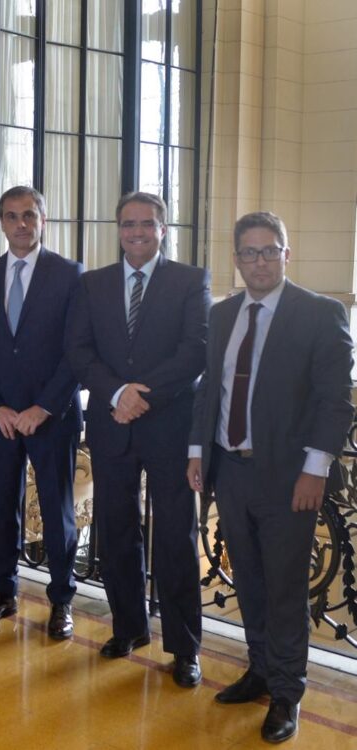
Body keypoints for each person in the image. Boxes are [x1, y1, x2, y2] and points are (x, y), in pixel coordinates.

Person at [187, 211, 354, 743]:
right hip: (230, 471)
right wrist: (197, 451)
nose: (259, 261)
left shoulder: (320, 313)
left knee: (285, 589)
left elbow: (335, 401)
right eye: (249, 252)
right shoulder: (223, 314)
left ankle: (286, 692)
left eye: (268, 251)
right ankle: (259, 670)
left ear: (286, 253)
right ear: (236, 259)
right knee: (250, 581)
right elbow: (210, 389)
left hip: (288, 479)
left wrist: (315, 470)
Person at [66, 191, 209, 686]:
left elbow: (195, 351)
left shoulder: (190, 280)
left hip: (169, 427)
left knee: (176, 538)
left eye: (147, 223)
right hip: (111, 425)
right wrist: (117, 393)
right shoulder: (93, 284)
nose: (137, 232)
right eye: (128, 224)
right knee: (116, 531)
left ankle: (185, 648)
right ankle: (128, 627)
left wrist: (141, 394)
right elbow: (79, 351)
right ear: (119, 229)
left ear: (163, 229)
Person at [0, 185, 82, 640]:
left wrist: (43, 407)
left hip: (52, 418)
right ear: (1, 223)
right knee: (3, 507)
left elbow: (76, 351)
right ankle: (3, 591)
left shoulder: (69, 275)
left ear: (43, 219)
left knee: (57, 511)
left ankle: (61, 599)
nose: (21, 224)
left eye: (29, 215)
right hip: (1, 421)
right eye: (11, 216)